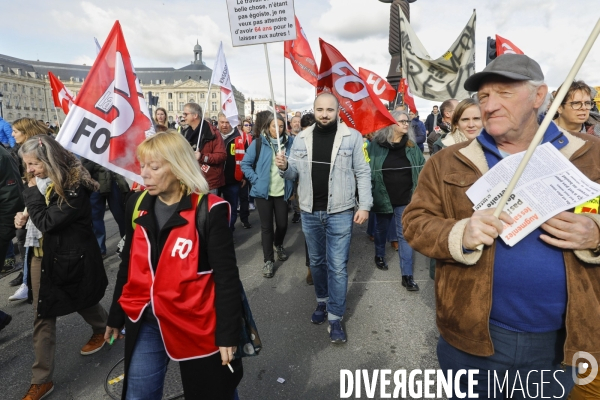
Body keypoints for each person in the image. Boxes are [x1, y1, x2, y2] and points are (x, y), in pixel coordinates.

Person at [402, 53, 600, 398]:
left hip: (563, 342)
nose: (489, 105)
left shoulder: (591, 155)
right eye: (483, 96)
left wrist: (597, 233)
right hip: (473, 341)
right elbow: (415, 223)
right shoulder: (449, 160)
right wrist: (458, 233)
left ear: (539, 97)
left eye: (504, 93)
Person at [105, 130, 243, 400]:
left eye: (154, 167)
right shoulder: (137, 203)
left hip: (196, 322)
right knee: (138, 395)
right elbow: (129, 264)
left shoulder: (210, 210)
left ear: (179, 167)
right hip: (145, 317)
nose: (144, 174)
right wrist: (115, 315)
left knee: (214, 393)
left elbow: (227, 278)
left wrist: (228, 334)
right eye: (142, 165)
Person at [15, 135, 108, 400]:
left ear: (48, 160)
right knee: (43, 314)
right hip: (40, 255)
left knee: (79, 297)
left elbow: (47, 221)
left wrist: (31, 195)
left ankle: (104, 327)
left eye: (33, 164)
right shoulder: (37, 181)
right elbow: (38, 218)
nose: (29, 170)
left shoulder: (73, 185)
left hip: (69, 256)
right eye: (26, 164)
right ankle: (42, 379)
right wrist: (23, 216)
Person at [276, 93, 372, 344]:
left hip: (340, 211)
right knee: (317, 263)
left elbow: (363, 172)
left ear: (338, 111)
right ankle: (322, 301)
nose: (324, 114)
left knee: (337, 267)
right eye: (320, 109)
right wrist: (284, 166)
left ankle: (335, 316)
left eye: (330, 109)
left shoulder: (352, 136)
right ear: (314, 110)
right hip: (309, 211)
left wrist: (365, 205)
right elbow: (293, 173)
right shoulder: (301, 138)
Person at [369, 110, 425, 290]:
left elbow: (422, 168)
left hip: (406, 197)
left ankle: (407, 275)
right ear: (390, 123)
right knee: (381, 229)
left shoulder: (411, 146)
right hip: (382, 195)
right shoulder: (376, 145)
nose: (406, 123)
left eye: (407, 121)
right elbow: (364, 169)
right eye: (401, 121)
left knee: (405, 235)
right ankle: (379, 254)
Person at [241, 113, 293, 278]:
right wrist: (255, 180)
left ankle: (278, 244)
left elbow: (298, 164)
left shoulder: (290, 143)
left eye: (281, 126)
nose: (277, 130)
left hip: (282, 192)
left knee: (283, 224)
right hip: (263, 193)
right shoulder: (258, 143)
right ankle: (268, 260)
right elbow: (245, 164)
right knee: (266, 227)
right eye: (274, 126)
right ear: (268, 126)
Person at [7, 118, 49, 300]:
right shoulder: (19, 151)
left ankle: (31, 282)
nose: (12, 134)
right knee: (24, 237)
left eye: (16, 131)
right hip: (29, 200)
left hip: (39, 201)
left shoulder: (42, 148)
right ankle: (28, 280)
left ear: (26, 131)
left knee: (31, 239)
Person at [181, 102, 226, 192]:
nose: (183, 117)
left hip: (208, 182)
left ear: (195, 115)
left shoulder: (212, 133)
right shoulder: (185, 132)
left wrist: (202, 157)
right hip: (190, 180)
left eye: (186, 114)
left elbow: (222, 156)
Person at [216, 112, 250, 231]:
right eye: (222, 122)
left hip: (233, 180)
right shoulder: (212, 136)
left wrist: (245, 177)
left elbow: (248, 160)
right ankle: (218, 233)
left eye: (227, 122)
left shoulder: (241, 137)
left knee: (232, 208)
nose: (224, 125)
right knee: (214, 209)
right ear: (218, 122)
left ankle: (228, 233)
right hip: (214, 181)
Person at [238, 116, 254, 222]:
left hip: (248, 170)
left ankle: (245, 219)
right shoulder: (239, 139)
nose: (248, 127)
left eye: (250, 125)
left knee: (245, 196)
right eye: (246, 125)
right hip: (238, 171)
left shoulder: (252, 138)